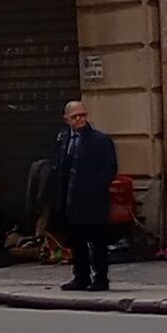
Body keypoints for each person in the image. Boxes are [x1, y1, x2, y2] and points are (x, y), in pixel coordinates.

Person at [51, 95, 118, 293]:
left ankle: (101, 279)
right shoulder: (64, 140)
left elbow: (110, 168)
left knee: (97, 244)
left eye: (82, 115)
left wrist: (95, 188)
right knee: (77, 242)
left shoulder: (100, 140)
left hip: (93, 202)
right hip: (71, 202)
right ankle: (80, 276)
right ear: (66, 119)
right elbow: (61, 168)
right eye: (75, 116)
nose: (80, 119)